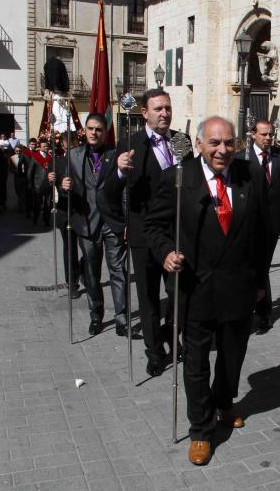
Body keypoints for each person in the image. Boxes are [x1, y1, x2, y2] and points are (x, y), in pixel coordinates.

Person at [144, 116, 269, 466]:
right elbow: (154, 227)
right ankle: (200, 430)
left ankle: (224, 404)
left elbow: (261, 235)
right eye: (214, 143)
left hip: (238, 287)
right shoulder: (178, 180)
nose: (222, 150)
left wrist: (261, 283)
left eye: (229, 143)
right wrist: (166, 252)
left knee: (232, 357)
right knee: (196, 363)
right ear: (199, 144)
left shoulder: (249, 175)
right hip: (195, 288)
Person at [107, 89, 180, 377]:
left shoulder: (181, 141)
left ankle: (171, 335)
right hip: (143, 235)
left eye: (168, 108)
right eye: (158, 108)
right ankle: (154, 352)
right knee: (149, 297)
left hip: (175, 232)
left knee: (177, 293)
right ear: (145, 113)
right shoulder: (129, 144)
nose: (164, 113)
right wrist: (120, 171)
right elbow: (110, 193)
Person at [59, 114, 133, 331]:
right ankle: (96, 315)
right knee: (92, 274)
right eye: (90, 128)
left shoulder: (115, 155)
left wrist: (126, 221)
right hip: (86, 224)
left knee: (118, 271)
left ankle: (121, 318)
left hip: (112, 223)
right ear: (84, 130)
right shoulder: (74, 156)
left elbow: (124, 190)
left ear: (105, 131)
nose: (94, 133)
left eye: (98, 129)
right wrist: (64, 188)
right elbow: (67, 193)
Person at [237, 119, 280, 334]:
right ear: (253, 135)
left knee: (263, 267)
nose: (268, 138)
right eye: (264, 134)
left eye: (270, 134)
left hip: (272, 222)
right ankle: (246, 309)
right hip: (248, 223)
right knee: (248, 266)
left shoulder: (279, 156)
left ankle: (264, 312)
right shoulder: (242, 159)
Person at [47, 139, 82, 298]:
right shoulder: (57, 163)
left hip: (84, 212)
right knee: (70, 249)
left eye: (74, 146)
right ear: (63, 147)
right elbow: (41, 188)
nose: (72, 149)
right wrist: (50, 181)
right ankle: (72, 283)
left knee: (90, 249)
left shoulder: (84, 160)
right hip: (65, 212)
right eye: (69, 146)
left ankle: (82, 269)